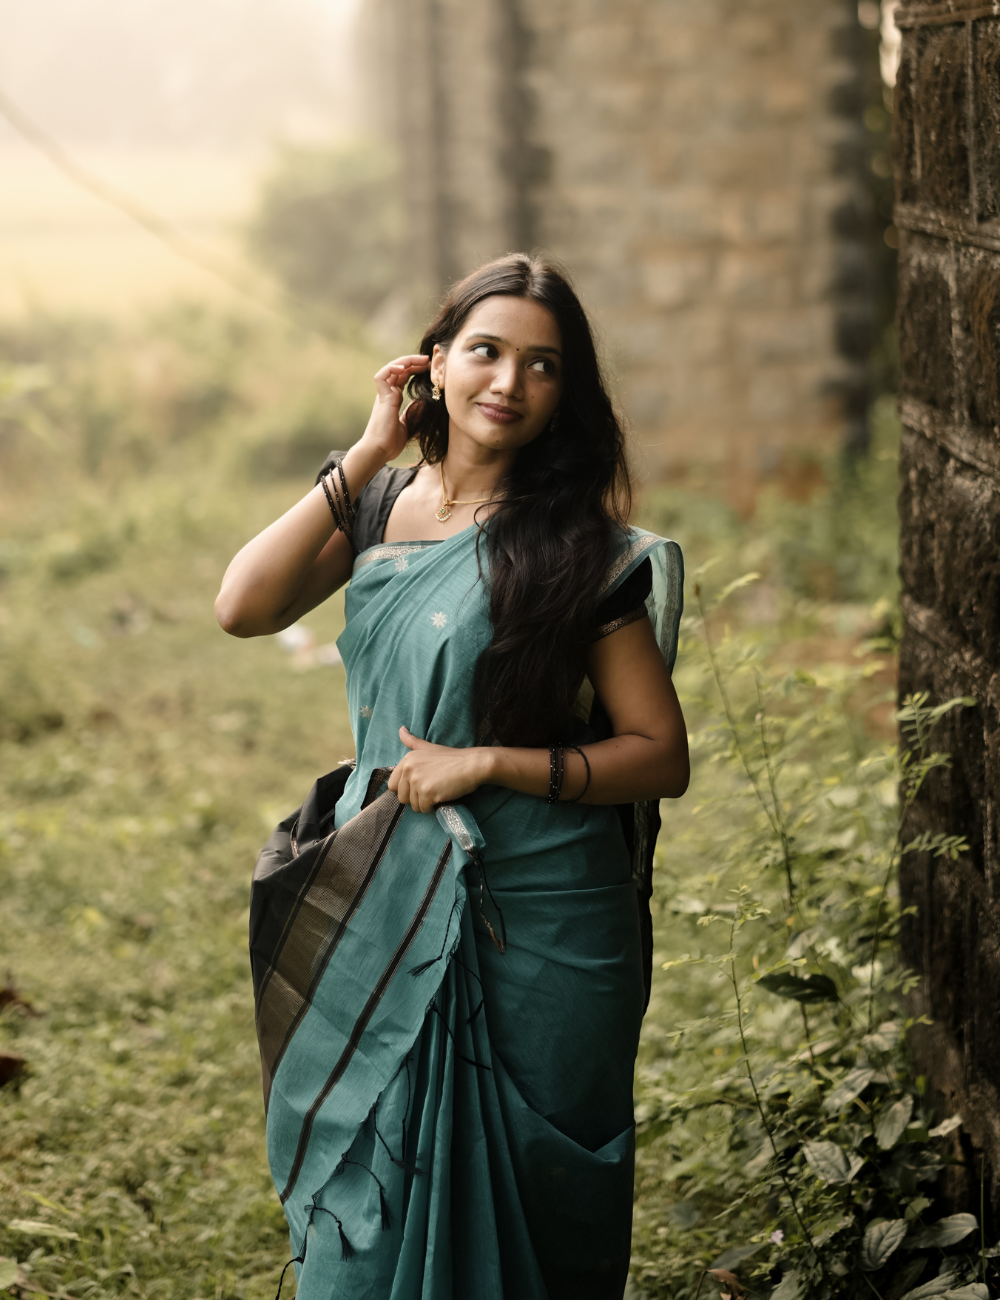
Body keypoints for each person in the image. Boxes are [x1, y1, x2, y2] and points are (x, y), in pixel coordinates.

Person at [215, 253, 689, 1300]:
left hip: (545, 917)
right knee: (367, 1186)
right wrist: (369, 445)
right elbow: (242, 605)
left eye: (542, 365)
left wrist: (490, 761)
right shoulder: (380, 505)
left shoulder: (579, 551)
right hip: (377, 889)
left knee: (534, 1200)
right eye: (485, 351)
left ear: (569, 396)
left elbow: (660, 754)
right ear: (434, 364)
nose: (507, 383)